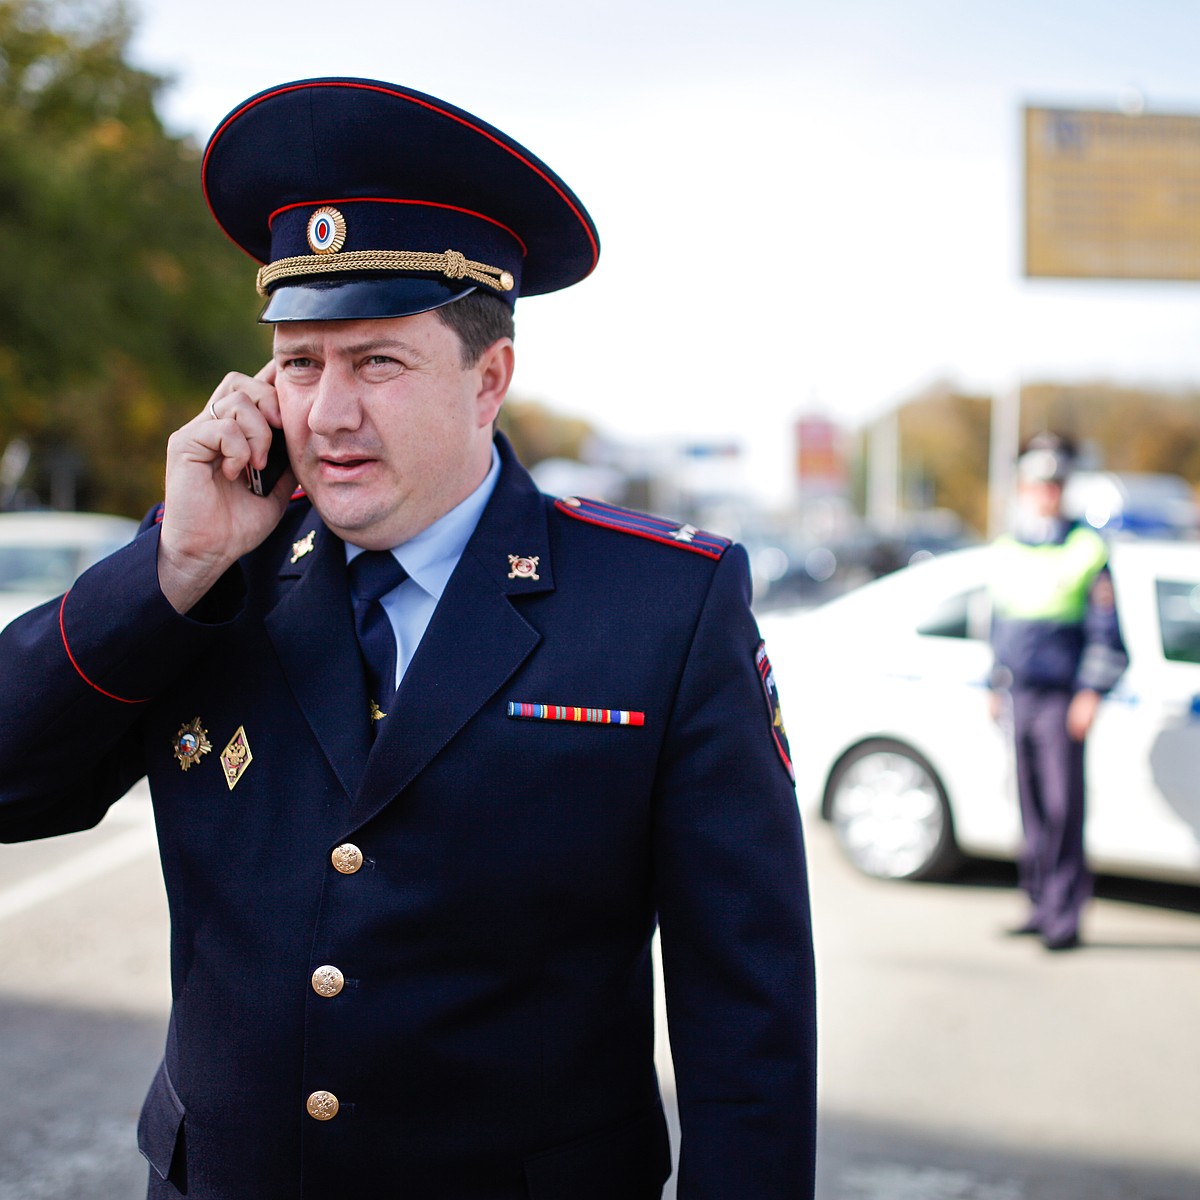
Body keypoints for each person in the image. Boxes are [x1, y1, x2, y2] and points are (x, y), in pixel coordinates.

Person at [0, 78, 816, 1198]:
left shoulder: (663, 604)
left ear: (490, 379)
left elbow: (748, 1018)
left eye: (376, 362)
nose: (327, 414)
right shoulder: (210, 570)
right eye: (299, 363)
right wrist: (171, 572)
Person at [988, 432, 1127, 952]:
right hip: (1020, 694)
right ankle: (1037, 902)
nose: (1045, 493)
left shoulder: (1087, 547)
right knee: (1028, 805)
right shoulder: (1007, 547)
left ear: (1064, 489)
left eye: (1054, 484)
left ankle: (1064, 917)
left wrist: (1090, 692)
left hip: (1062, 698)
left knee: (1063, 807)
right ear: (1024, 487)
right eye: (1037, 484)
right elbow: (1000, 624)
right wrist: (994, 683)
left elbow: (1106, 633)